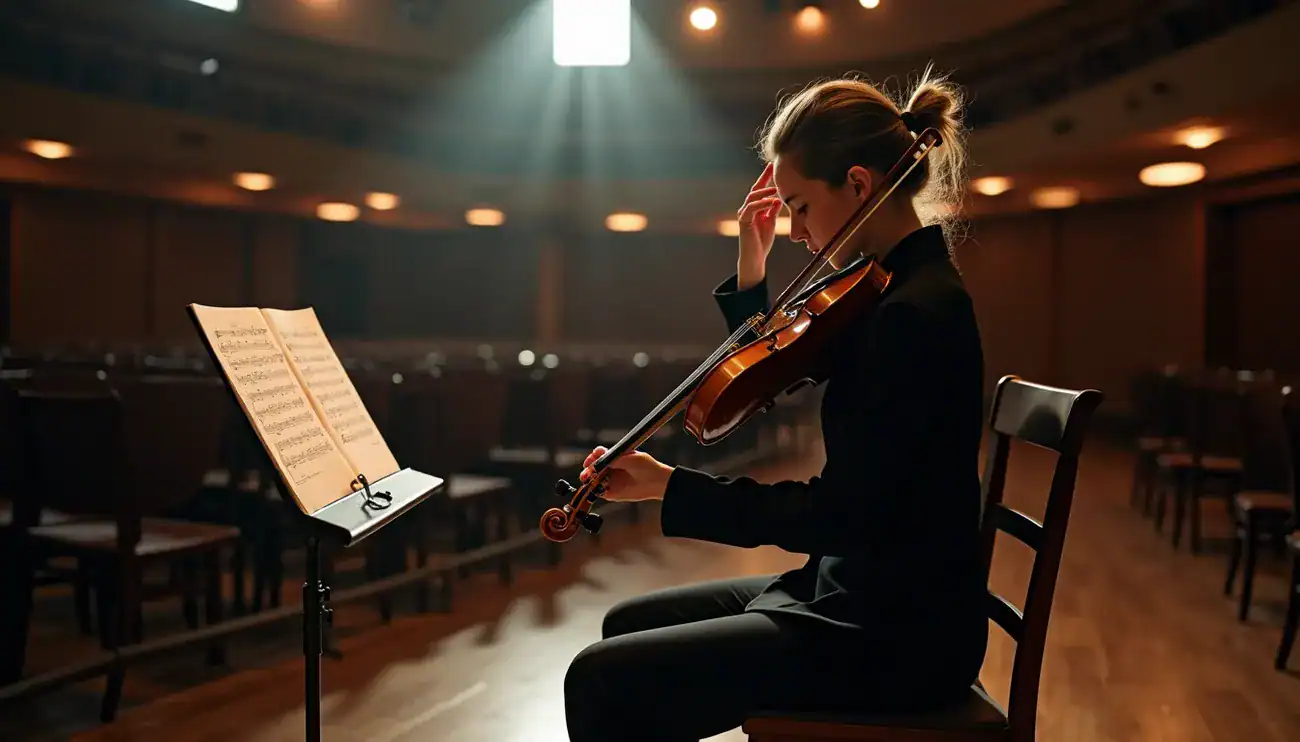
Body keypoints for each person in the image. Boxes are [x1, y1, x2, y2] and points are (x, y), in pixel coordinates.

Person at [563, 67, 989, 742]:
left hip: (893, 636)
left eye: (799, 206)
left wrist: (675, 489)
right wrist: (751, 263)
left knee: (599, 677)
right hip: (854, 593)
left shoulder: (915, 314)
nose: (794, 231)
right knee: (627, 629)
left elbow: (842, 514)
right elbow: (771, 369)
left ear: (858, 184)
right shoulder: (886, 288)